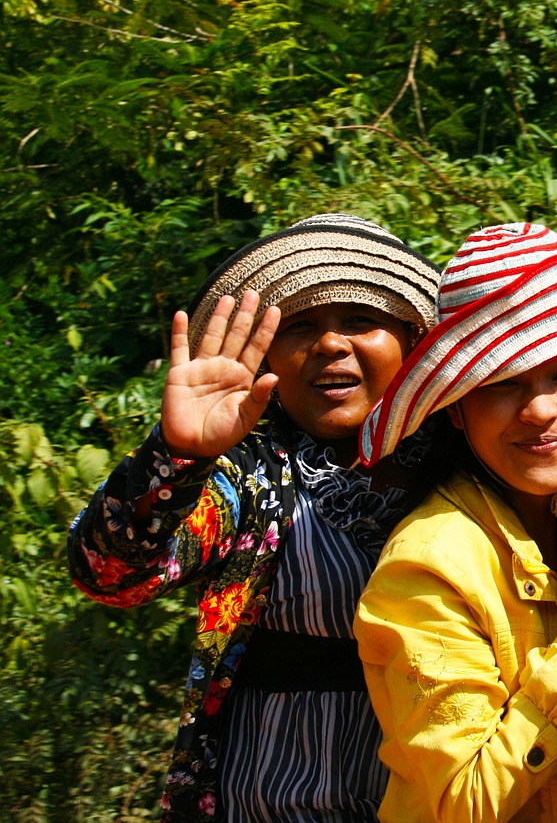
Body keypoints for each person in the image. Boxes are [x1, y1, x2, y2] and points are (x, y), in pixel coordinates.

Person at [68, 214, 442, 822]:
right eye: (299, 327)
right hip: (267, 797)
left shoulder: (463, 463)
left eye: (359, 320)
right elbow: (110, 573)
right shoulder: (248, 474)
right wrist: (175, 454)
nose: (329, 344)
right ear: (265, 354)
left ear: (411, 339)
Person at [354, 223, 557, 823]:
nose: (541, 411)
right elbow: (464, 799)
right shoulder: (428, 564)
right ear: (458, 412)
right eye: (504, 386)